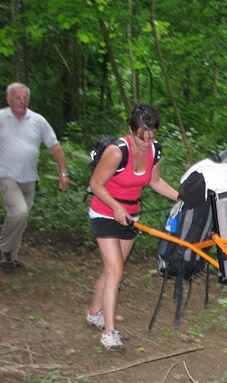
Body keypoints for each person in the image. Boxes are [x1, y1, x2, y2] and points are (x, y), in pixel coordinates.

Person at [86, 104, 178, 351]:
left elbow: (155, 181)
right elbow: (96, 184)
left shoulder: (154, 151)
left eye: (152, 137)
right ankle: (109, 332)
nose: (146, 143)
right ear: (131, 130)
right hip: (105, 211)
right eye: (141, 138)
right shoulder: (117, 152)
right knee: (116, 271)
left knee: (111, 269)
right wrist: (116, 207)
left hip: (130, 215)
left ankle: (94, 311)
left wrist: (180, 197)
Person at [0, 82, 70, 268]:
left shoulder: (37, 120)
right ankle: (3, 248)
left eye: (25, 98)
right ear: (8, 99)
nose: (22, 101)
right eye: (18, 98)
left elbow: (55, 147)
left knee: (21, 217)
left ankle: (9, 258)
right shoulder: (1, 118)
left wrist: (63, 172)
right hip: (6, 175)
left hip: (29, 178)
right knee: (19, 211)